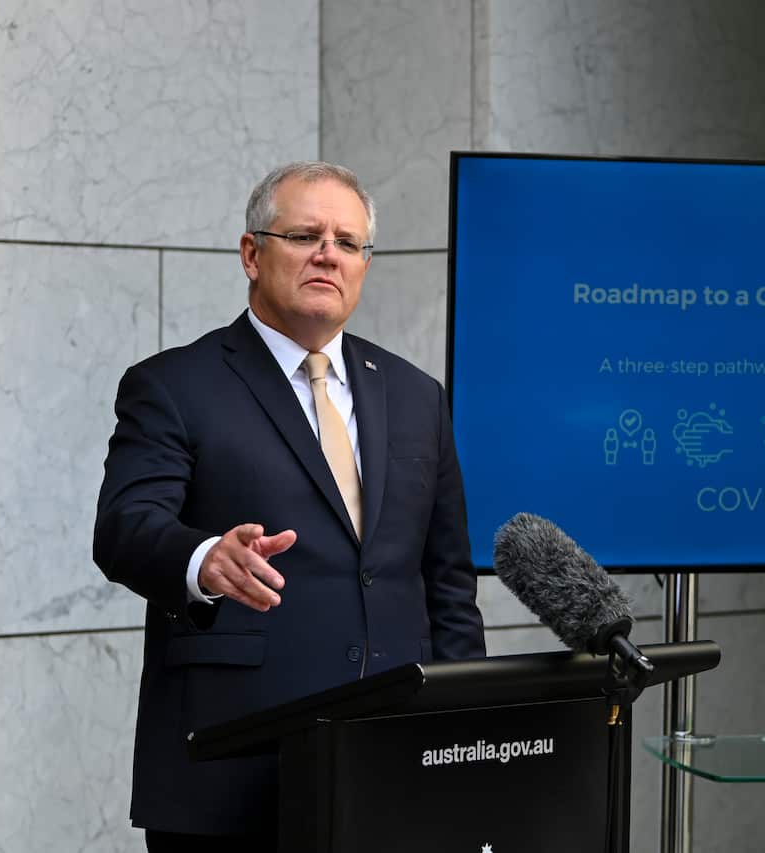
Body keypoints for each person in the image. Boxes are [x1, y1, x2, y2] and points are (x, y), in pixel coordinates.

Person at [93, 161, 486, 851]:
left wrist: (463, 734)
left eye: (347, 241)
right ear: (252, 253)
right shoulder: (174, 384)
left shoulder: (417, 395)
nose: (328, 253)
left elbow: (447, 579)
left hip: (391, 769)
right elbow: (126, 526)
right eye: (305, 234)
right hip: (232, 775)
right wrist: (202, 557)